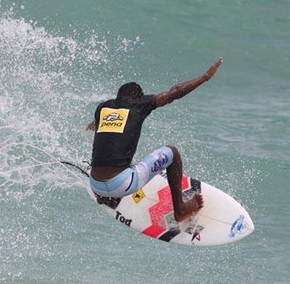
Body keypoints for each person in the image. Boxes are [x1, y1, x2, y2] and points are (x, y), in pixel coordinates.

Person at [87, 57, 224, 222]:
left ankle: (107, 197)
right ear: (137, 97)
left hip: (95, 184)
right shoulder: (139, 104)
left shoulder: (102, 108)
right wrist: (205, 77)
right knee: (172, 153)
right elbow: (175, 92)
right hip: (122, 183)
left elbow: (99, 129)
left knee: (118, 154)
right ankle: (180, 210)